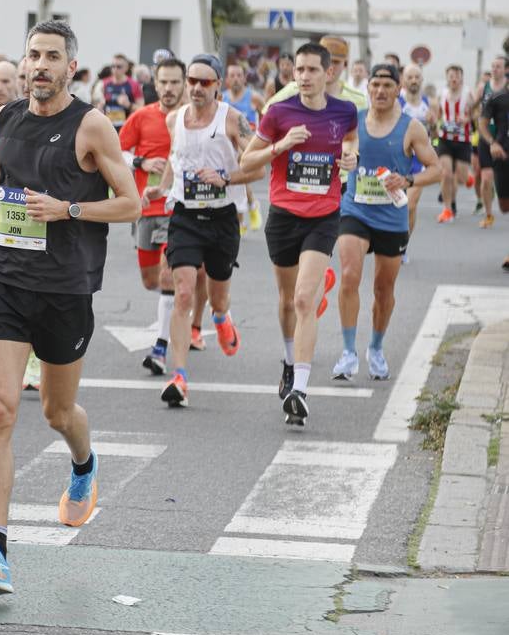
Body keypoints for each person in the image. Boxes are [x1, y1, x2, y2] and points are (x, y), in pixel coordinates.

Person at [0, 20, 140, 595]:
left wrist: (69, 211)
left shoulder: (90, 126)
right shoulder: (5, 117)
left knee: (58, 414)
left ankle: (83, 465)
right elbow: (1, 179)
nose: (40, 65)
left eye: (51, 57)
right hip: (5, 280)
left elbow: (132, 203)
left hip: (64, 288)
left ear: (70, 67)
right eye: (33, 54)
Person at [239, 42, 359, 426]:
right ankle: (289, 362)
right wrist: (281, 145)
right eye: (299, 70)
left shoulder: (345, 111)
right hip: (284, 216)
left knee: (307, 299)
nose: (304, 77)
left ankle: (300, 390)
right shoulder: (279, 112)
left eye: (311, 70)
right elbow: (247, 160)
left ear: (329, 73)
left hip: (323, 216)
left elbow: (352, 142)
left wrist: (351, 157)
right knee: (288, 300)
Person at [158, 55, 258, 406]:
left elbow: (259, 165)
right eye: (192, 81)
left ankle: (219, 315)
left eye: (205, 82)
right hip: (185, 216)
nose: (197, 88)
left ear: (218, 85)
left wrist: (226, 177)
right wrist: (160, 188)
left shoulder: (232, 119)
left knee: (217, 294)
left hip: (222, 219)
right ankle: (180, 377)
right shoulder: (175, 119)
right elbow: (176, 159)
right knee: (183, 292)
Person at [333, 65, 440, 380]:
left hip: (391, 216)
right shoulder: (353, 122)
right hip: (355, 209)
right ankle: (348, 352)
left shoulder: (412, 128)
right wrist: (345, 159)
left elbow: (435, 169)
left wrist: (407, 179)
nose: (380, 91)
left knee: (383, 288)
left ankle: (376, 349)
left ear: (398, 91)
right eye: (375, 85)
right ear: (368, 88)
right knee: (350, 275)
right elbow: (338, 151)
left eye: (387, 86)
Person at [119, 58, 185, 375]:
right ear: (155, 85)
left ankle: (160, 347)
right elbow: (117, 151)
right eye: (164, 82)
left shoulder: (192, 119)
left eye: (175, 82)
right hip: (146, 208)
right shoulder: (142, 117)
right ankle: (176, 304)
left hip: (178, 210)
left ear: (184, 83)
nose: (170, 88)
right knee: (151, 281)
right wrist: (141, 163)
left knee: (168, 275)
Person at [224, 62, 265, 231]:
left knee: (239, 169)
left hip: (248, 143)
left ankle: (242, 217)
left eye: (239, 75)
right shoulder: (222, 97)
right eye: (232, 75)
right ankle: (250, 206)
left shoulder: (254, 97)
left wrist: (262, 138)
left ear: (244, 78)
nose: (235, 79)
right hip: (228, 144)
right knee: (236, 179)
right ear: (227, 79)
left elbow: (267, 117)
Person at [398, 63, 434, 242]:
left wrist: (433, 124)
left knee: (410, 205)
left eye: (417, 77)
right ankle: (394, 240)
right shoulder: (398, 102)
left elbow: (433, 135)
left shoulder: (428, 103)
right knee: (396, 206)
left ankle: (403, 245)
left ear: (422, 79)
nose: (413, 80)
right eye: (410, 77)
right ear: (403, 80)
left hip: (419, 161)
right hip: (399, 159)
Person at [435, 64, 476, 223]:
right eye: (451, 76)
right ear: (447, 78)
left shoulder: (468, 94)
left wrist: (467, 119)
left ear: (461, 78)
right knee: (446, 174)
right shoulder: (441, 93)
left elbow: (477, 113)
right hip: (445, 139)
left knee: (460, 176)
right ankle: (447, 209)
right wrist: (436, 121)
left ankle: (468, 178)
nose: (453, 79)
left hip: (463, 140)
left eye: (456, 76)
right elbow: (438, 113)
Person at [474, 55, 508, 228]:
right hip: (487, 139)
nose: (495, 69)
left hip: (504, 139)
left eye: (498, 66)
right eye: (493, 66)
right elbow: (475, 110)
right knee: (486, 178)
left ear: (505, 69)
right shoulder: (483, 88)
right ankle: (488, 214)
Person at [95, 53, 143, 130]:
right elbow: (96, 105)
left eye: (119, 67)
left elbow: (142, 109)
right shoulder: (104, 84)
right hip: (107, 128)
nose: (115, 69)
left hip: (127, 129)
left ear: (126, 68)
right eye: (113, 66)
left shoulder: (134, 85)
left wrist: (128, 105)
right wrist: (99, 107)